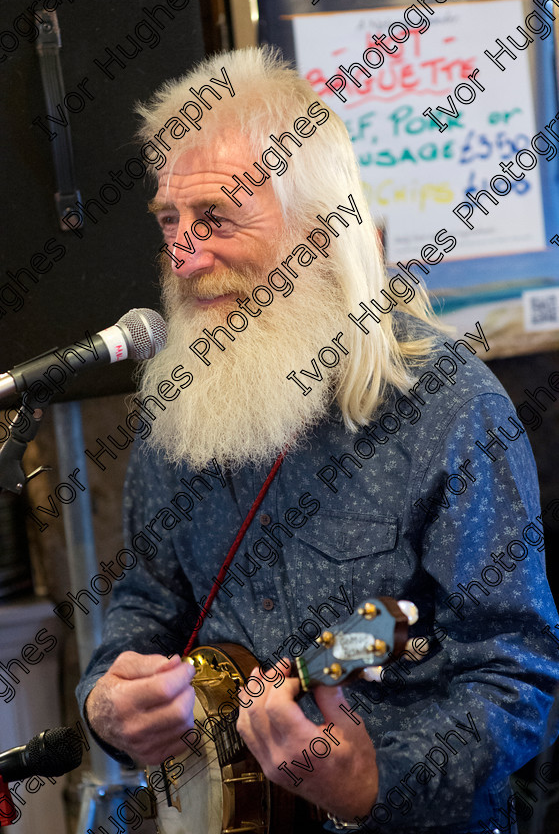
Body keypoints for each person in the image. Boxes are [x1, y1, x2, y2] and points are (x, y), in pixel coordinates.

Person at [77, 47, 559, 833]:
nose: (182, 254)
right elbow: (146, 607)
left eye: (214, 218)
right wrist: (107, 700)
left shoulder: (449, 405)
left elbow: (521, 673)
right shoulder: (180, 400)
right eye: (169, 220)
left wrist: (379, 782)